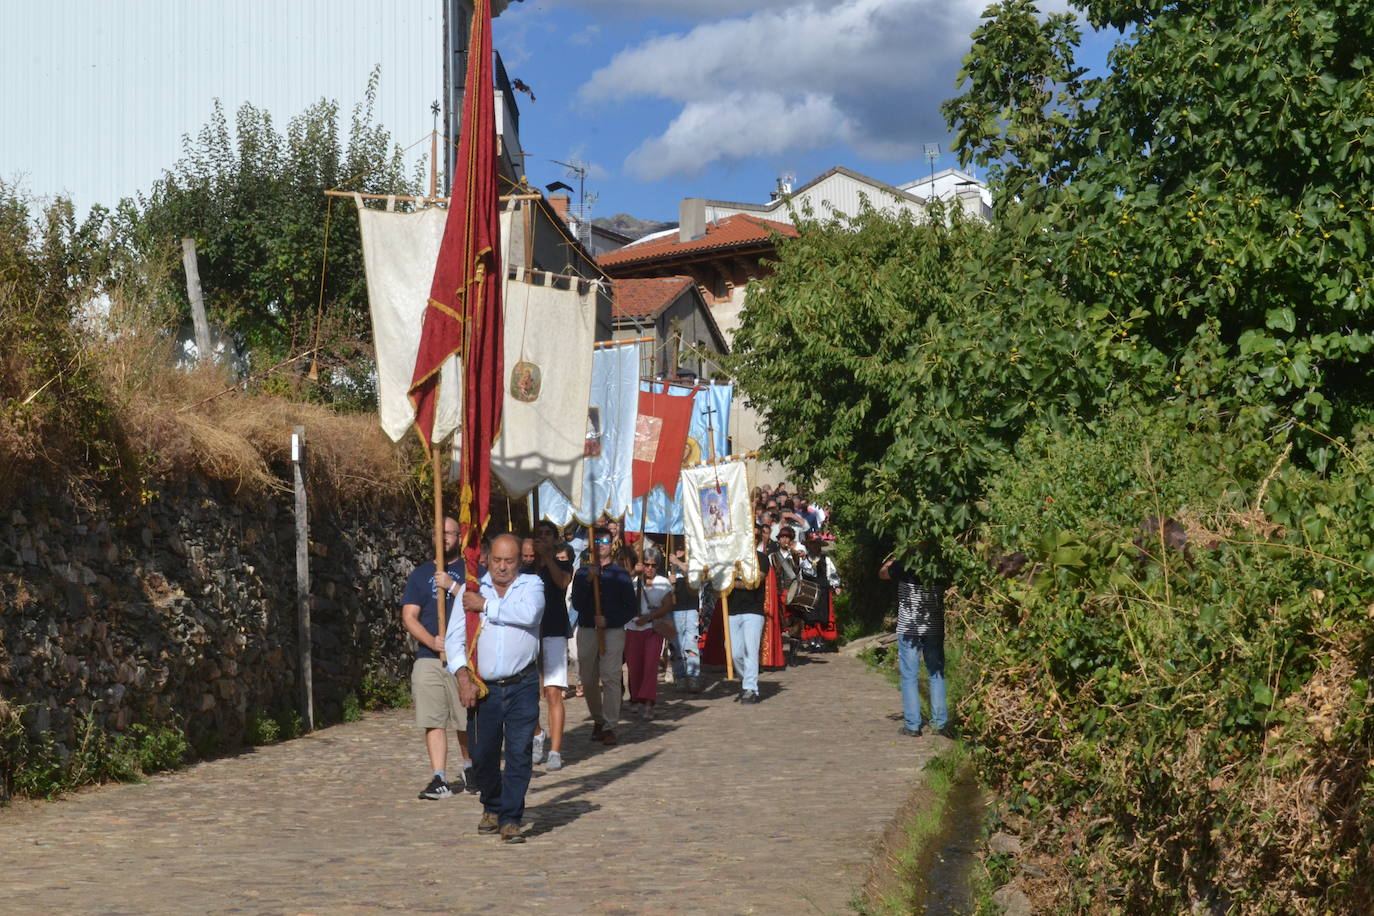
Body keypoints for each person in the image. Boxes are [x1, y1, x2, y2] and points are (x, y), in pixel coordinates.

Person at [445, 533, 545, 843]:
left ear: (519, 561)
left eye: (509, 561)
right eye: (497, 560)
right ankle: (492, 803)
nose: (502, 567)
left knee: (519, 752)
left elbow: (529, 616)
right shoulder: (471, 589)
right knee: (483, 754)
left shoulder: (532, 586)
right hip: (483, 687)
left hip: (522, 684)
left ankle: (510, 817)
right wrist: (463, 678)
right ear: (488, 558)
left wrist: (486, 606)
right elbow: (454, 641)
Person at [400, 516, 476, 800]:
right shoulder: (420, 575)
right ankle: (439, 777)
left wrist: (453, 587)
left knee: (465, 719)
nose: (444, 538)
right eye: (439, 533)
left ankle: (471, 768)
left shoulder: (471, 571)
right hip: (429, 657)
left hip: (463, 658)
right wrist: (431, 641)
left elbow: (482, 603)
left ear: (459, 536)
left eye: (449, 533)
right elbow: (409, 616)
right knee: (433, 718)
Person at [570, 526, 636, 746]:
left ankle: (609, 725)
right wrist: (588, 579)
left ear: (611, 544)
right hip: (588, 629)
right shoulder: (581, 573)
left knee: (610, 677)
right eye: (596, 542)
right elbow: (577, 603)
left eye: (604, 542)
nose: (601, 546)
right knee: (588, 679)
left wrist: (610, 619)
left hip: (613, 631)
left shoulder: (620, 574)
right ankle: (598, 719)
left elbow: (630, 607)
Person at [879, 554, 951, 738]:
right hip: (933, 625)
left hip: (909, 627)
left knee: (909, 676)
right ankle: (939, 723)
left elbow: (883, 574)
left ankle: (913, 725)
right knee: (936, 673)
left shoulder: (904, 562)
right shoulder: (939, 561)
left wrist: (891, 561)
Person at [524, 524, 573, 771]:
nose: (542, 538)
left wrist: (547, 558)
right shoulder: (526, 569)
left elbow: (562, 583)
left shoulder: (563, 565)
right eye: (538, 535)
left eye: (547, 535)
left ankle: (555, 750)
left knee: (553, 692)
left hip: (553, 632)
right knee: (528, 693)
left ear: (555, 540)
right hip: (529, 634)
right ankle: (537, 733)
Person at [726, 524, 773, 704]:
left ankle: (750, 688)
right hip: (732, 610)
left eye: (754, 538)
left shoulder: (761, 559)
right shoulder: (730, 560)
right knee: (734, 652)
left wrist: (731, 581)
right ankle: (746, 679)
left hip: (753, 611)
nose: (750, 541)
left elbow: (754, 581)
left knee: (750, 651)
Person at [625, 548, 673, 719]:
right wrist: (633, 573)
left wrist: (649, 617)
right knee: (634, 666)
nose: (650, 568)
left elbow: (668, 605)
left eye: (653, 565)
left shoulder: (662, 582)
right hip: (632, 628)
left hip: (652, 629)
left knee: (650, 666)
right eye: (646, 564)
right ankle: (636, 697)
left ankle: (648, 702)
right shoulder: (633, 580)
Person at [667, 541, 702, 692]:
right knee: (676, 644)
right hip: (674, 607)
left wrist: (678, 562)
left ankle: (693, 676)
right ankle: (679, 676)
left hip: (691, 606)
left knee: (691, 642)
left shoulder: (694, 557)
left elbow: (697, 574)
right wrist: (669, 582)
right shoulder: (665, 559)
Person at [798, 531, 841, 650]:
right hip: (809, 591)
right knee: (810, 617)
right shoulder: (804, 560)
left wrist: (836, 586)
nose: (814, 547)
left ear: (819, 546)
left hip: (823, 591)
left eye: (816, 545)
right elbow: (802, 574)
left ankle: (819, 642)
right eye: (812, 545)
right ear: (808, 546)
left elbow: (831, 573)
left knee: (822, 616)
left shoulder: (826, 560)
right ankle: (811, 641)